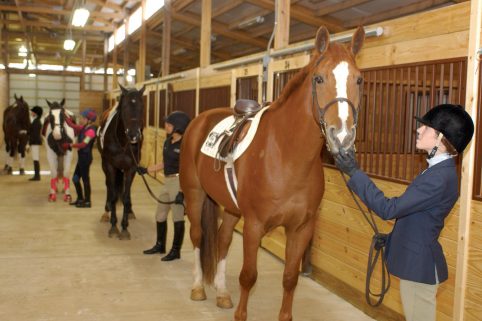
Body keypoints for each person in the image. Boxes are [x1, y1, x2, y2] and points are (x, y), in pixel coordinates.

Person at [334, 104, 474, 321]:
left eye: (426, 128)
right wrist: (391, 239)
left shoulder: (438, 177)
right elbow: (419, 219)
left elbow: (389, 209)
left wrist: (355, 173)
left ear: (440, 139)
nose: (418, 130)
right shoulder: (436, 171)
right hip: (417, 266)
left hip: (420, 270)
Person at [137, 111, 190, 261]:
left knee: (178, 217)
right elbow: (164, 163)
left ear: (178, 127)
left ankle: (175, 250)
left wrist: (182, 191)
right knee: (160, 215)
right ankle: (160, 245)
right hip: (167, 182)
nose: (165, 126)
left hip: (179, 182)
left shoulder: (185, 145)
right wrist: (146, 170)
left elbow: (186, 169)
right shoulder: (168, 142)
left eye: (169, 124)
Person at [62, 108, 97, 208]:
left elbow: (83, 144)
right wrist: (65, 116)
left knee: (85, 180)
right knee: (75, 179)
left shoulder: (91, 131)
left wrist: (70, 145)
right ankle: (80, 199)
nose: (81, 119)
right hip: (81, 158)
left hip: (86, 158)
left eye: (83, 118)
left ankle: (87, 201)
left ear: (89, 120)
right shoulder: (83, 128)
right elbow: (72, 125)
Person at [28, 106, 43, 181]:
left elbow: (34, 134)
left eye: (33, 112)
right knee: (35, 158)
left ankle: (37, 176)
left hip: (35, 142)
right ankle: (36, 175)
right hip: (35, 142)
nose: (31, 112)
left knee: (35, 158)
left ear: (36, 113)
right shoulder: (36, 120)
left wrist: (29, 143)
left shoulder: (36, 122)